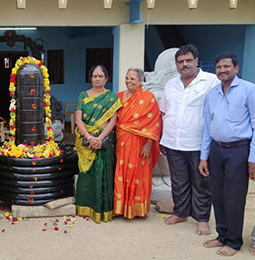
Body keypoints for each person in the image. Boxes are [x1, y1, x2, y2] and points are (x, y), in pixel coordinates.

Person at [199, 53, 255, 257]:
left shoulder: (249, 90)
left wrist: (252, 158)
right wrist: (204, 156)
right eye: (219, 67)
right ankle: (222, 235)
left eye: (226, 66)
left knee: (234, 197)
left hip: (239, 150)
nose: (222, 70)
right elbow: (207, 126)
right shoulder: (212, 93)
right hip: (216, 149)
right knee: (219, 195)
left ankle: (233, 241)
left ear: (236, 68)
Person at [160, 44, 219, 235]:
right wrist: (162, 138)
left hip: (199, 144)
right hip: (173, 142)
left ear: (196, 61)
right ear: (176, 65)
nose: (184, 65)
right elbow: (164, 112)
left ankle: (202, 219)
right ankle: (181, 212)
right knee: (178, 180)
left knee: (201, 182)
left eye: (188, 61)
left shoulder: (211, 81)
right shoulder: (171, 84)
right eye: (180, 62)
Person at [74, 65, 122, 223]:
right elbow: (77, 118)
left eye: (101, 76)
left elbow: (113, 121)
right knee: (86, 176)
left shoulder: (111, 97)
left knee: (103, 174)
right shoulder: (83, 95)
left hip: (104, 140)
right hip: (86, 140)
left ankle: (103, 210)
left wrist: (99, 139)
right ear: (91, 78)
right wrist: (89, 137)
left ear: (106, 78)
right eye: (95, 76)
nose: (97, 79)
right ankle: (85, 207)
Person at [113, 68, 161, 219]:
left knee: (139, 174)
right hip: (122, 142)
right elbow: (113, 120)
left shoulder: (148, 98)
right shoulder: (119, 97)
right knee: (122, 173)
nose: (129, 81)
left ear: (141, 81)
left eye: (132, 78)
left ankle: (138, 209)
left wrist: (148, 144)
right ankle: (121, 208)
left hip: (141, 145)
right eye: (127, 78)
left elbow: (155, 122)